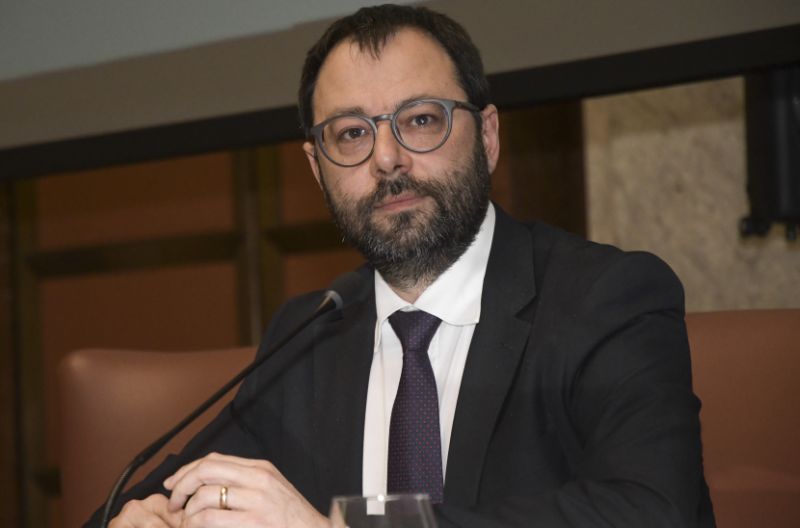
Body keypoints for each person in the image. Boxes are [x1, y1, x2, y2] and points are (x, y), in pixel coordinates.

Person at [91, 4, 715, 527]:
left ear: (488, 137)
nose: (387, 159)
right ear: (317, 169)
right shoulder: (309, 334)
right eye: (352, 134)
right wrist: (147, 517)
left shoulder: (606, 298)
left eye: (420, 120)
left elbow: (653, 511)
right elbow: (152, 497)